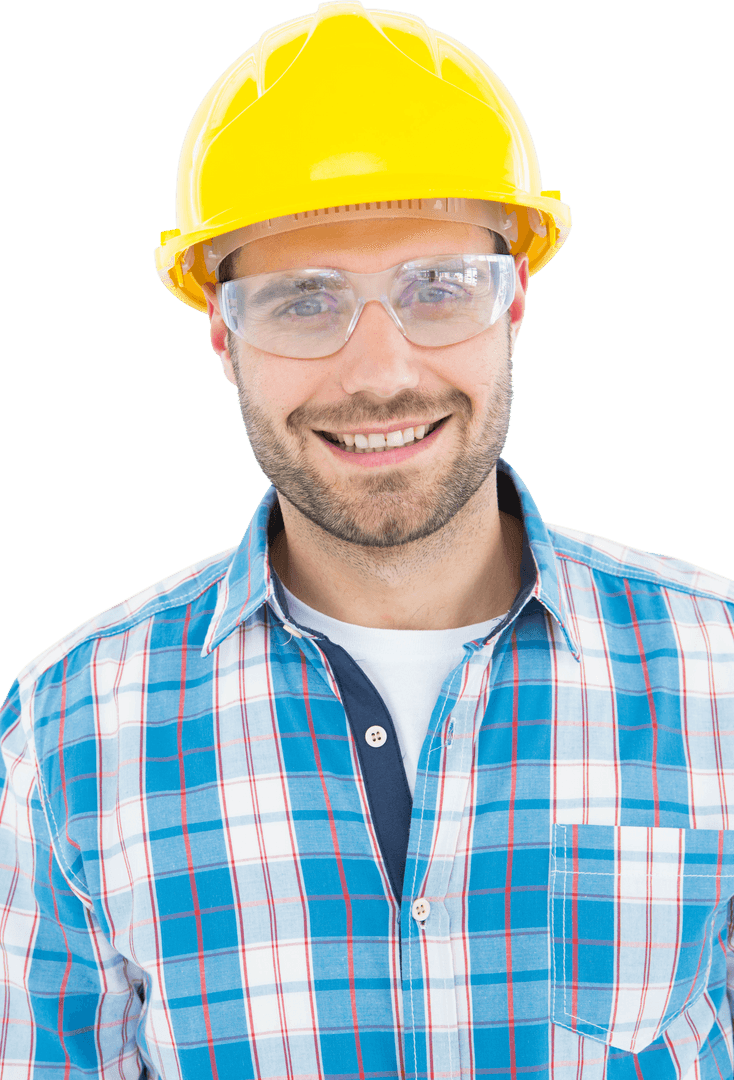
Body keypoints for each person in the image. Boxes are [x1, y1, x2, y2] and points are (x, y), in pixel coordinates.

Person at [2, 2, 733, 1077]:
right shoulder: (67, 733)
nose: (378, 370)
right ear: (221, 336)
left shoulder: (717, 678)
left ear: (514, 301)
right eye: (303, 301)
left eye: (438, 288)